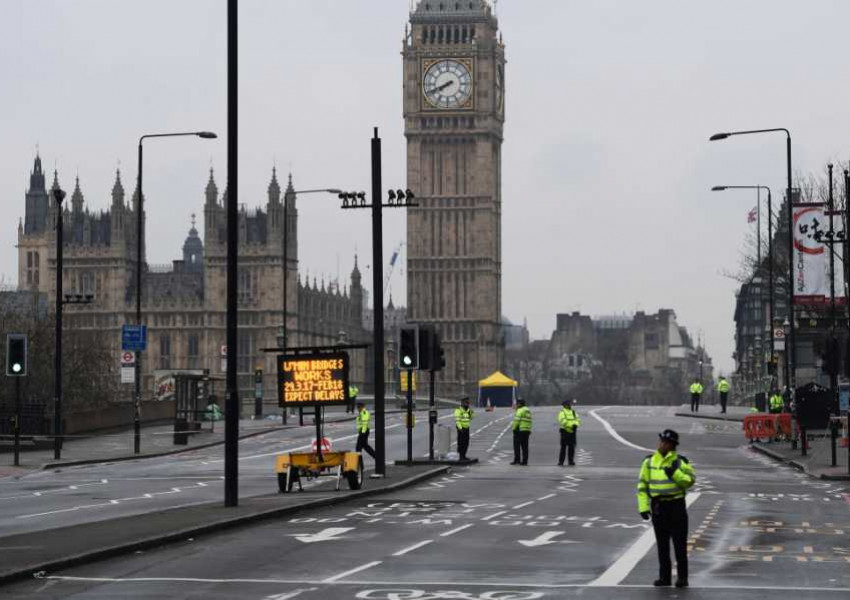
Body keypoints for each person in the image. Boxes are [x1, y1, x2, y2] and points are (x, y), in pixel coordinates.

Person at [636, 429, 696, 588]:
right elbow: (642, 486)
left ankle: (682, 578)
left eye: (667, 442)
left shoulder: (681, 461)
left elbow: (690, 481)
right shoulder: (648, 462)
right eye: (662, 441)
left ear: (673, 445)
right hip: (658, 506)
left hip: (676, 506)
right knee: (662, 545)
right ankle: (664, 578)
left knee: (679, 544)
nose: (663, 444)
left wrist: (675, 474)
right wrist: (643, 507)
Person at [557, 399, 581, 466]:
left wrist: (576, 425)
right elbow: (562, 421)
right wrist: (571, 426)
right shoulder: (562, 412)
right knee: (563, 448)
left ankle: (571, 461)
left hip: (573, 432)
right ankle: (561, 462)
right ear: (564, 405)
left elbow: (578, 420)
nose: (569, 405)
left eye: (569, 404)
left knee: (571, 448)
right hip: (565, 432)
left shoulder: (573, 412)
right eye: (568, 404)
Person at [511, 398, 532, 465]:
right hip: (527, 430)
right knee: (525, 447)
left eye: (517, 404)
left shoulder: (520, 410)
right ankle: (525, 461)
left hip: (519, 430)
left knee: (516, 446)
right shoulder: (528, 410)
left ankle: (517, 460)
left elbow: (517, 421)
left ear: (519, 404)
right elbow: (529, 421)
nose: (516, 405)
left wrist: (513, 428)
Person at [454, 396, 474, 461]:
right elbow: (457, 420)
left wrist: (471, 412)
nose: (467, 404)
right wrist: (460, 428)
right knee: (461, 443)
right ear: (462, 403)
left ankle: (464, 455)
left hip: (466, 428)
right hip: (461, 429)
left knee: (466, 442)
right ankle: (461, 456)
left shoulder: (468, 410)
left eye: (468, 403)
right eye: (466, 402)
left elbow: (471, 418)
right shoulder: (458, 410)